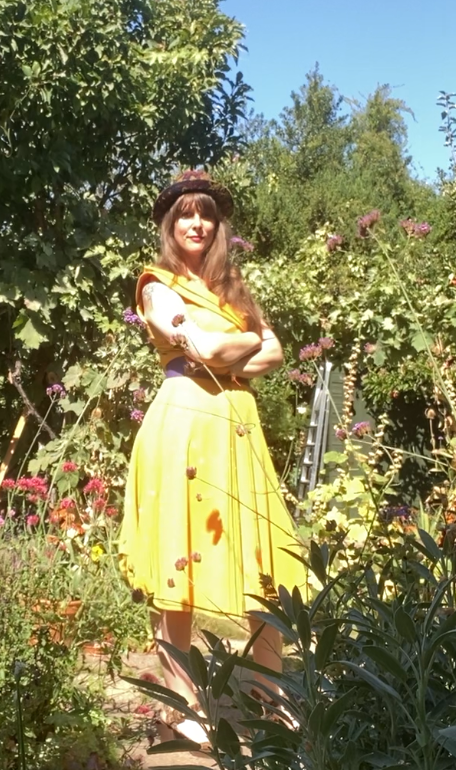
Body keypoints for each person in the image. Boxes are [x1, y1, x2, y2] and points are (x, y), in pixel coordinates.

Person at [118, 169, 306, 743]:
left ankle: (267, 694)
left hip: (236, 428)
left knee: (262, 560)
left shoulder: (233, 287)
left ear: (217, 225)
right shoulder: (157, 284)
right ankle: (186, 703)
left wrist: (233, 346)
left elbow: (272, 352)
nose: (196, 223)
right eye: (184, 215)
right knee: (177, 562)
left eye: (205, 214)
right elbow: (203, 344)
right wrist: (242, 342)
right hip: (183, 428)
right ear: (170, 226)